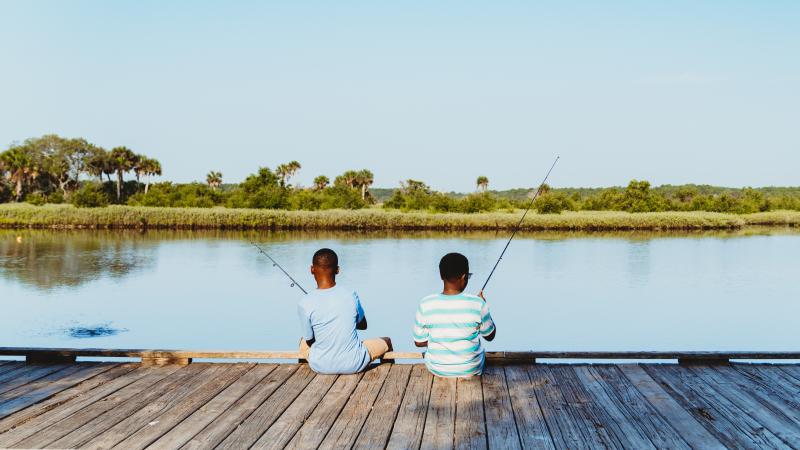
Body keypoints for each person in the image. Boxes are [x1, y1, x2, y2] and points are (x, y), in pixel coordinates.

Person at [298, 248, 392, 374]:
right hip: (354, 363)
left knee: (302, 341)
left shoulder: (304, 302)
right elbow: (363, 325)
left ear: (312, 269)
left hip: (320, 365)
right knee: (387, 341)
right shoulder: (351, 295)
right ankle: (388, 376)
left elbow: (310, 340)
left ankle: (302, 376)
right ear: (337, 270)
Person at [413, 252, 496, 377]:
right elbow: (490, 336)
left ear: (441, 276)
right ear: (464, 277)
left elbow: (419, 342)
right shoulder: (477, 303)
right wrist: (484, 305)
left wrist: (441, 338)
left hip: (437, 368)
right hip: (471, 369)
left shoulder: (426, 303)